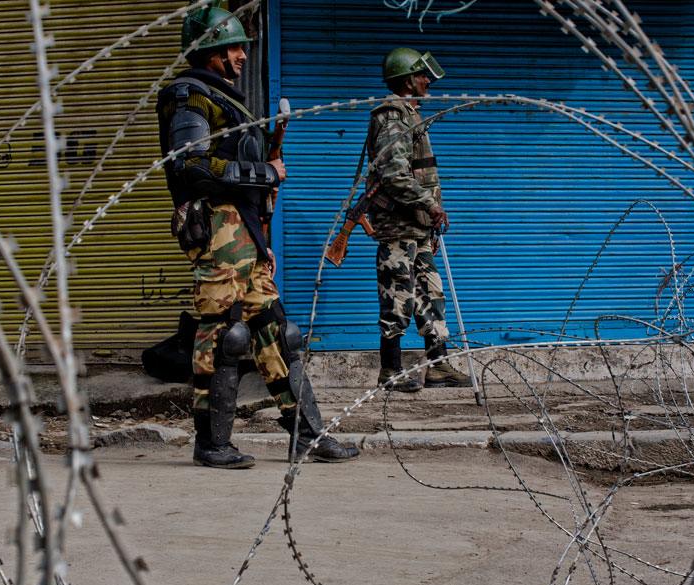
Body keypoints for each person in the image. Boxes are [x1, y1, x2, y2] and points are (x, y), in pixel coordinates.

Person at [156, 6, 359, 468]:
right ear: (209, 49)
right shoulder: (189, 95)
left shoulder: (227, 98)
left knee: (278, 332)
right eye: (232, 47)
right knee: (224, 333)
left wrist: (259, 221)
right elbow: (192, 164)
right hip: (215, 227)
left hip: (243, 231)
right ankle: (211, 443)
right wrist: (265, 170)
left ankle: (307, 436)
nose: (242, 55)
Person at [367, 47, 472, 392]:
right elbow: (395, 174)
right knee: (398, 297)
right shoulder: (392, 117)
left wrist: (429, 216)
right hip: (399, 228)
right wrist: (430, 204)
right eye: (422, 75)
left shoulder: (410, 115)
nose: (428, 80)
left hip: (419, 228)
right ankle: (391, 371)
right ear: (408, 79)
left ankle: (438, 365)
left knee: (431, 294)